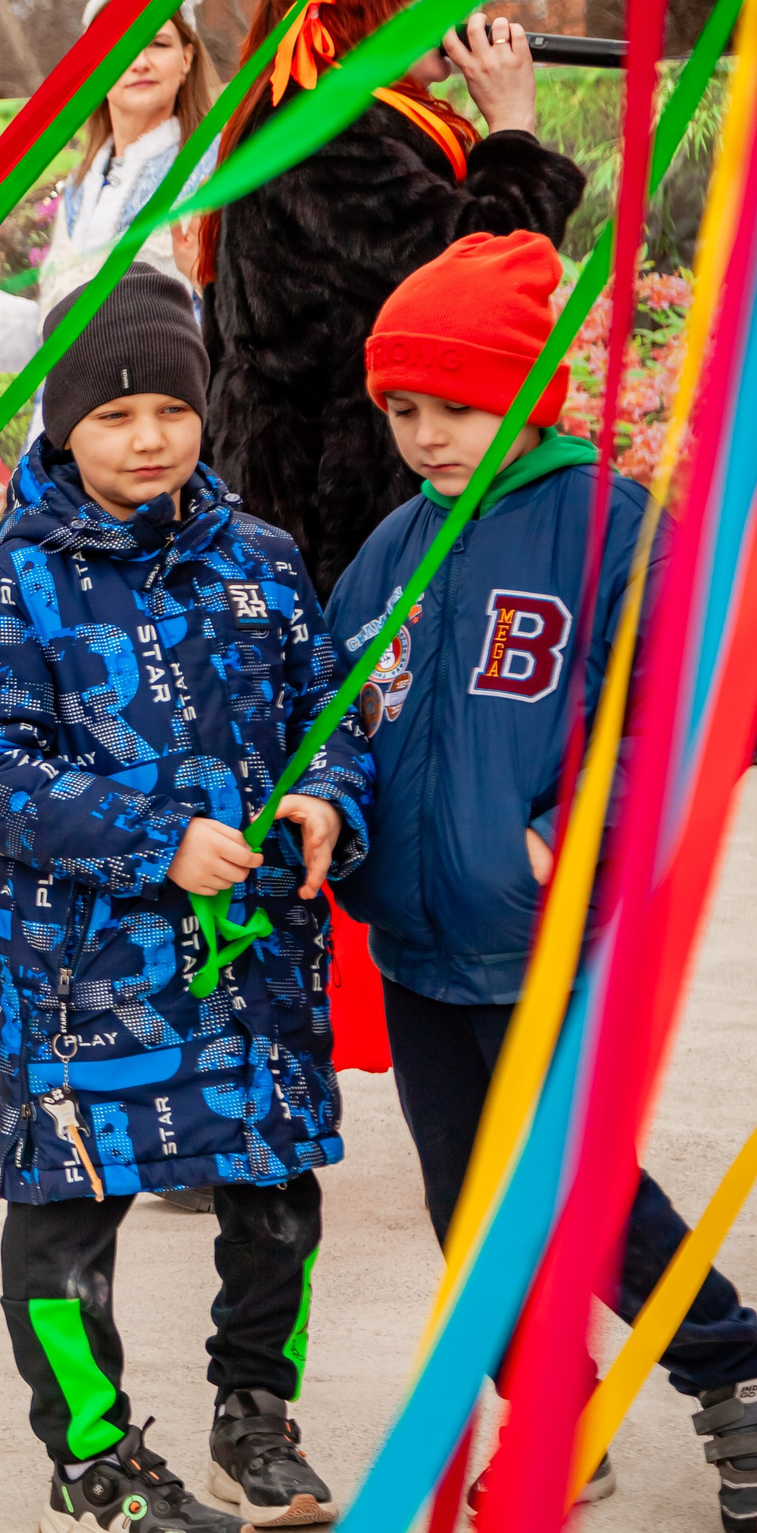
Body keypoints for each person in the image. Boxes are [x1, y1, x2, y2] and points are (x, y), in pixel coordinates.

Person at [323, 231, 757, 1528]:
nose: (425, 434)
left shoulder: (609, 524)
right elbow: (338, 695)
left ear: (531, 390)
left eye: (454, 404)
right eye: (402, 408)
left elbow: (695, 704)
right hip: (415, 938)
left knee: (582, 1191)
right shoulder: (396, 543)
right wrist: (320, 797)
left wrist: (574, 833)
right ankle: (555, 1406)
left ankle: (732, 1369)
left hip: (552, 931)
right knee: (468, 1208)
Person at [0, 267, 371, 1532]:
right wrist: (151, 840)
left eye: (170, 410)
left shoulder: (268, 564)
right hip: (90, 978)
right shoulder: (16, 585)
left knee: (276, 1201)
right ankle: (91, 1453)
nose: (147, 439)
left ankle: (255, 1415)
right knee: (66, 1218)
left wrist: (327, 798)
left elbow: (330, 717)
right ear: (63, 424)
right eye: (115, 416)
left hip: (255, 969)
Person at [200, 0, 585, 598]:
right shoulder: (322, 133)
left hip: (354, 505)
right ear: (347, 15)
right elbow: (482, 270)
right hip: (332, 523)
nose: (439, 7)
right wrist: (512, 127)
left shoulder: (349, 122)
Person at [0, 0, 217, 385]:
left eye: (157, 43)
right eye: (121, 45)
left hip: (168, 426)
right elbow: (64, 334)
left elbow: (229, 322)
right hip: (73, 433)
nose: (139, 61)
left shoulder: (214, 171)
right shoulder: (81, 187)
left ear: (187, 58)